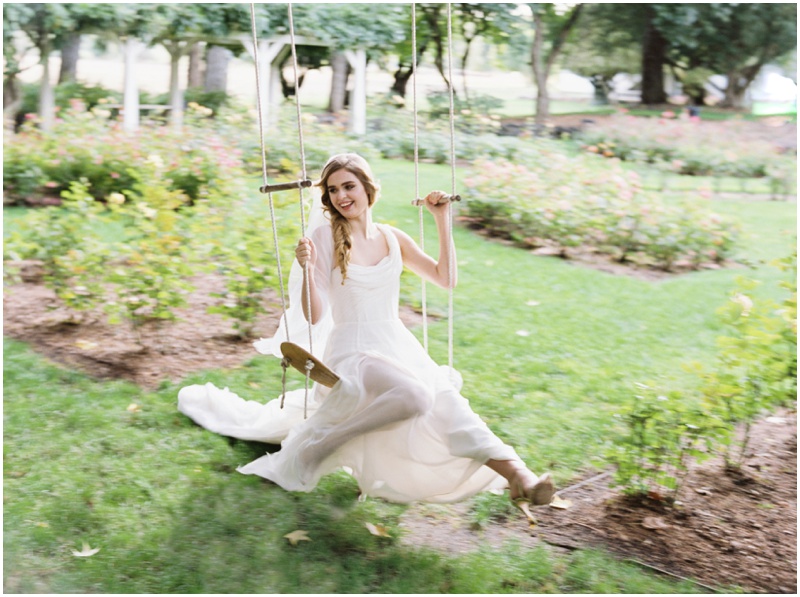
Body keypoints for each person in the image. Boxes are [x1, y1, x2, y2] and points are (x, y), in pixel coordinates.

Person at [178, 153, 554, 519]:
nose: (342, 196)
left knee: (448, 404)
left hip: (395, 342)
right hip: (352, 349)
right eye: (333, 190)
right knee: (414, 395)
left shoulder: (393, 238)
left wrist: (442, 218)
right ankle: (320, 445)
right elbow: (315, 314)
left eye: (349, 186)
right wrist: (307, 269)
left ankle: (520, 476)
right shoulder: (324, 237)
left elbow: (446, 278)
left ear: (368, 188)